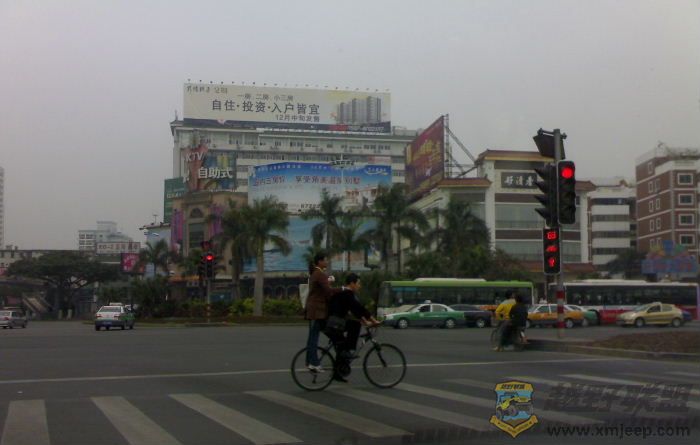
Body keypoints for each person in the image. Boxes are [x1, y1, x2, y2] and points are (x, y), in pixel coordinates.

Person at [326, 273, 380, 382]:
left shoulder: (344, 293)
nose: (359, 286)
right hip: (334, 323)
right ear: (352, 283)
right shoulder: (347, 293)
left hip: (332, 322)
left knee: (342, 348)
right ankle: (349, 349)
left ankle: (338, 373)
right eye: (358, 283)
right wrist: (373, 320)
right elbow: (358, 308)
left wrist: (366, 321)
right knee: (355, 326)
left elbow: (355, 311)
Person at [304, 252, 337, 372]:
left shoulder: (316, 273)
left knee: (312, 337)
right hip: (317, 311)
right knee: (314, 338)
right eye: (325, 260)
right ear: (319, 262)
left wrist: (328, 281)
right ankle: (314, 363)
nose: (327, 262)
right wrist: (343, 289)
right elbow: (328, 291)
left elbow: (322, 288)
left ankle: (309, 362)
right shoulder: (319, 273)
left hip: (313, 309)